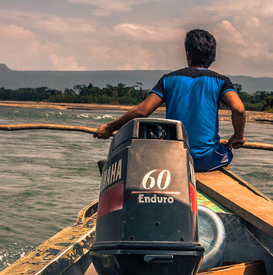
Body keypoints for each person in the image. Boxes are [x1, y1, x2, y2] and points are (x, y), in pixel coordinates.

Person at [94, 29, 246, 172]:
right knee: (226, 153)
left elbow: (142, 111)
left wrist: (109, 128)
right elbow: (239, 109)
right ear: (212, 56)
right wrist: (238, 136)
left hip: (173, 158)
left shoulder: (169, 79)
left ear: (187, 54)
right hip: (205, 161)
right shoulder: (221, 81)